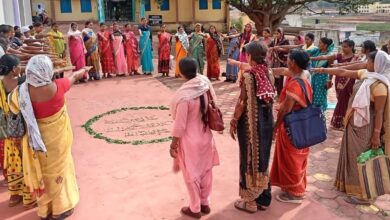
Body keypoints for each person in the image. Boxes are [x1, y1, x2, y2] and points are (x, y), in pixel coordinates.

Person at [8, 55, 93, 219]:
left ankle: (45, 210)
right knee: (60, 172)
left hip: (35, 145)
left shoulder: (20, 94)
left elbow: (13, 109)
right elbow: (74, 77)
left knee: (43, 175)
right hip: (58, 143)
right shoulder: (58, 86)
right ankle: (61, 209)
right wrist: (84, 70)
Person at [312, 50, 390, 205]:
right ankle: (349, 185)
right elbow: (343, 71)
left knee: (361, 160)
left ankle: (365, 194)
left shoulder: (380, 86)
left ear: (378, 64)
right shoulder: (367, 75)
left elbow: (380, 113)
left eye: (369, 61)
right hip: (353, 124)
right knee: (351, 157)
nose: (366, 63)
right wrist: (322, 70)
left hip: (366, 129)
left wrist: (375, 135)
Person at [170, 57, 219, 219]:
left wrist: (173, 144)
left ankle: (195, 207)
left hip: (190, 141)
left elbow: (180, 125)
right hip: (206, 137)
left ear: (182, 73)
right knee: (206, 171)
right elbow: (215, 104)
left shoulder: (184, 96)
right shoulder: (205, 84)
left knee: (191, 175)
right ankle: (205, 203)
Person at [229, 41, 275, 213]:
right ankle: (263, 199)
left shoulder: (249, 75)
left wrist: (234, 121)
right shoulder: (268, 72)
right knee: (262, 157)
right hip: (266, 122)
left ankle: (250, 202)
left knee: (248, 159)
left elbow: (242, 102)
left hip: (250, 125)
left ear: (250, 56)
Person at [270, 49, 313, 204]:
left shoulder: (295, 84)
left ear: (293, 62)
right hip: (302, 126)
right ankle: (292, 187)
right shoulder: (303, 78)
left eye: (288, 59)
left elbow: (285, 109)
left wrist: (275, 127)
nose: (286, 61)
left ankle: (295, 194)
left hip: (291, 127)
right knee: (296, 158)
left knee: (291, 160)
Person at [0, 54, 35, 208]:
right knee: (27, 162)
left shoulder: (0, 84)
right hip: (23, 130)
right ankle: (29, 197)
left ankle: (15, 195)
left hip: (8, 130)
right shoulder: (21, 82)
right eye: (19, 65)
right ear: (14, 69)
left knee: (13, 162)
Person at [311, 39, 359, 130]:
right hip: (339, 80)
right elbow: (325, 57)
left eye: (345, 47)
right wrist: (312, 58)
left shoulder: (356, 58)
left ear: (351, 47)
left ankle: (345, 122)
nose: (343, 48)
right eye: (342, 46)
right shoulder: (339, 55)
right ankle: (338, 123)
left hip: (350, 82)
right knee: (340, 100)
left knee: (347, 100)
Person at [307, 37, 334, 112]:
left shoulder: (330, 55)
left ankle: (320, 111)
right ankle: (313, 111)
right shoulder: (317, 52)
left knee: (320, 94)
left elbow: (331, 68)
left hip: (322, 78)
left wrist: (329, 80)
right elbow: (307, 52)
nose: (318, 44)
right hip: (314, 76)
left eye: (320, 43)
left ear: (325, 45)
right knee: (313, 93)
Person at [269, 27, 290, 96]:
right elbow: (270, 46)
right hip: (275, 61)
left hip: (282, 61)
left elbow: (287, 49)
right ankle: (276, 92)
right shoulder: (275, 40)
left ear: (281, 33)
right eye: (275, 34)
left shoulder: (285, 41)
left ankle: (280, 94)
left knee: (281, 78)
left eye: (277, 34)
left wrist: (278, 49)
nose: (276, 35)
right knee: (274, 77)